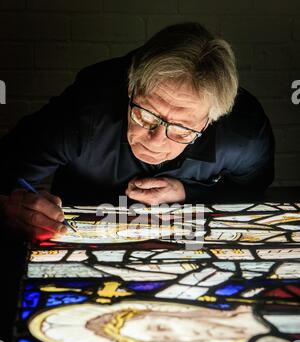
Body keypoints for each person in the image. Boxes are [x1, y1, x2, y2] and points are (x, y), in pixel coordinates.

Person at [0, 23, 274, 240]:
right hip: (76, 230)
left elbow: (252, 193)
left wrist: (187, 192)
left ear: (209, 122)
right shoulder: (85, 111)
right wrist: (13, 209)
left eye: (181, 129)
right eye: (145, 115)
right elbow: (5, 172)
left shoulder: (243, 133)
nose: (156, 140)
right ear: (131, 89)